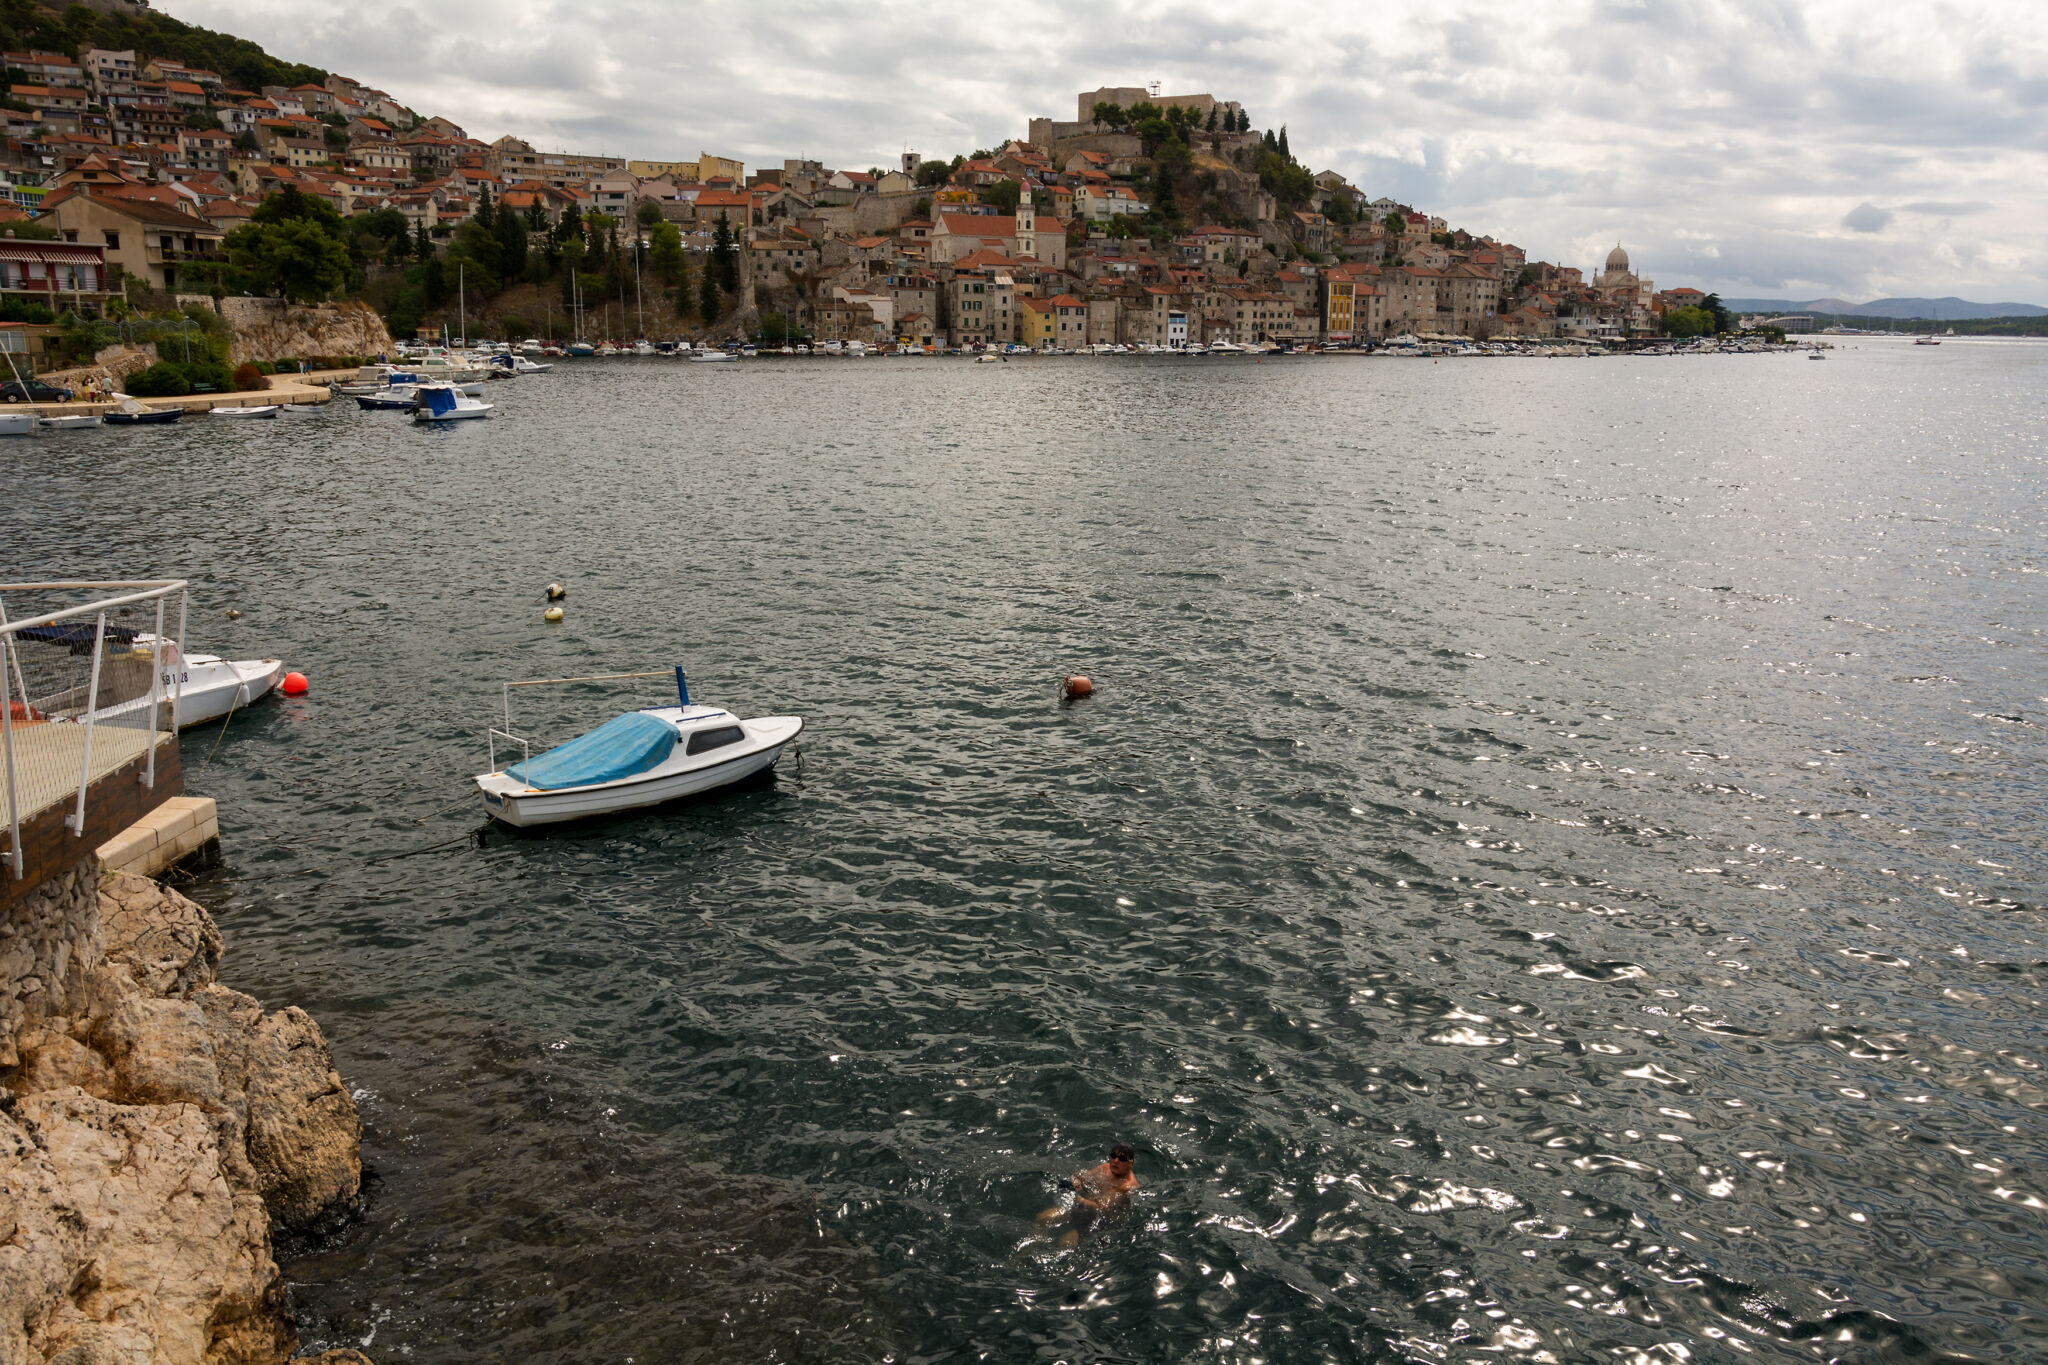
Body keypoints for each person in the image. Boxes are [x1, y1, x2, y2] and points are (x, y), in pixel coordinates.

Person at [1036, 1143, 1138, 1246]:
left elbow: (1101, 1206)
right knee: (1042, 1218)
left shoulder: (1127, 1185)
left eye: (1122, 1158)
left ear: (1131, 1163)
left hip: (1100, 1223)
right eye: (1113, 1156)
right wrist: (1076, 1185)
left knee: (1065, 1243)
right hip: (1081, 1210)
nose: (1116, 1161)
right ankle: (1036, 1245)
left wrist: (1078, 1195)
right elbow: (1080, 1177)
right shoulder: (1105, 1168)